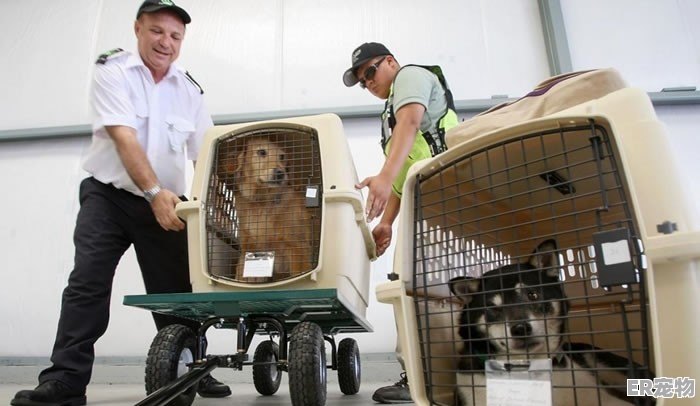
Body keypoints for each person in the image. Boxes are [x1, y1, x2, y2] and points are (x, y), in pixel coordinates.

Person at [11, 1, 231, 405]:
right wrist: (152, 194)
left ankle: (192, 370)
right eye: (156, 31)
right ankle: (65, 382)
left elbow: (206, 157)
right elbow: (123, 136)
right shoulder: (113, 71)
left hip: (169, 203)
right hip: (109, 197)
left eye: (175, 36)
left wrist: (208, 208)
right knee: (87, 284)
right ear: (137, 29)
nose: (165, 42)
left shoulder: (190, 91)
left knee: (177, 294)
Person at [343, 42, 459, 404]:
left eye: (371, 72)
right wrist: (388, 223)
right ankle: (423, 374)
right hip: (427, 201)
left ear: (390, 62)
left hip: (449, 193)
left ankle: (425, 376)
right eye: (362, 81)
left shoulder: (411, 77)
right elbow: (404, 172)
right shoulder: (388, 114)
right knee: (412, 285)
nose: (368, 83)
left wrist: (381, 174)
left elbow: (410, 124)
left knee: (423, 286)